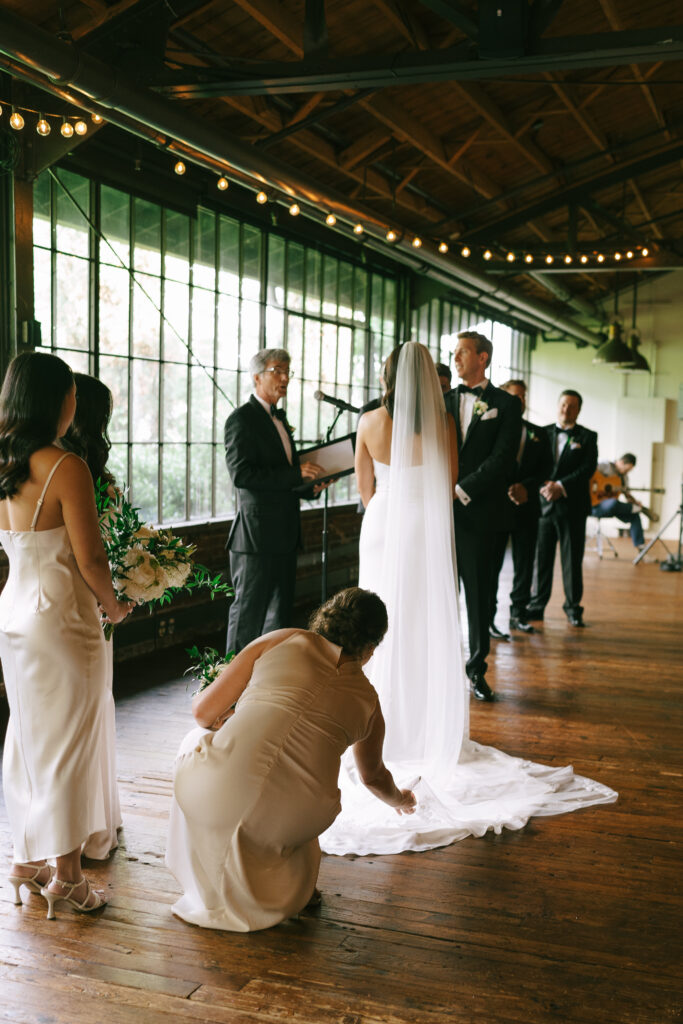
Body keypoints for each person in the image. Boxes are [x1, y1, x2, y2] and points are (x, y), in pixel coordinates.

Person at [320, 342, 616, 858]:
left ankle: (372, 718)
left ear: (386, 378)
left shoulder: (368, 422)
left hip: (384, 524)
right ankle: (418, 721)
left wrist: (388, 509)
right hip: (422, 524)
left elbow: (365, 489)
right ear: (428, 381)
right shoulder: (444, 426)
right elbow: (447, 481)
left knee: (375, 624)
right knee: (421, 620)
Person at [165, 587, 416, 932]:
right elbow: (373, 777)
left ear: (326, 616)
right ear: (371, 647)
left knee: (196, 740)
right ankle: (292, 888)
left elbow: (202, 713)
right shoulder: (369, 703)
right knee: (298, 788)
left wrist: (238, 716)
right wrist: (401, 799)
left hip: (210, 794)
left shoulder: (280, 640)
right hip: (290, 820)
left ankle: (204, 876)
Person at [0, 352, 132, 920]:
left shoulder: (4, 462)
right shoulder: (66, 466)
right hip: (65, 619)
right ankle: (70, 879)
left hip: (15, 616)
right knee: (71, 747)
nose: (76, 403)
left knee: (30, 740)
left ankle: (25, 863)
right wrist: (117, 606)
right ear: (57, 400)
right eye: (73, 394)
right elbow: (93, 557)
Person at [224, 348, 324, 655]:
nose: (284, 378)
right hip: (255, 537)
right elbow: (242, 476)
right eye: (277, 371)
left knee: (279, 619)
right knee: (248, 616)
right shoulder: (242, 419)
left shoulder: (280, 419)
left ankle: (266, 684)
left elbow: (285, 478)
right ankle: (227, 687)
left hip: (286, 533)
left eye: (288, 372)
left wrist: (312, 486)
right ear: (257, 377)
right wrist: (296, 475)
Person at [60, 372, 122, 860]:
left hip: (33, 605)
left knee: (53, 722)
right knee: (89, 710)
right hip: (85, 605)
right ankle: (89, 828)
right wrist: (118, 597)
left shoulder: (24, 467)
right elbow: (99, 556)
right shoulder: (83, 474)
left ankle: (50, 840)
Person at [444, 331, 522, 701]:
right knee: (438, 594)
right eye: (454, 353)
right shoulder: (440, 400)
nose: (455, 358)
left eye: (462, 352)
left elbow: (503, 458)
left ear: (483, 358)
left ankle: (476, 669)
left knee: (478, 596)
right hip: (437, 516)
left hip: (480, 515)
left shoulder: (505, 405)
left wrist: (460, 490)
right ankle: (439, 669)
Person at [527, 390, 598, 628]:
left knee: (571, 560)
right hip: (543, 506)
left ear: (578, 410)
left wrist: (560, 486)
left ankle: (573, 608)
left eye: (572, 406)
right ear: (558, 405)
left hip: (572, 508)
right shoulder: (542, 433)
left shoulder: (588, 437)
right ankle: (537, 606)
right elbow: (532, 466)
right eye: (564, 405)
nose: (567, 410)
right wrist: (544, 487)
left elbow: (587, 469)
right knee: (542, 560)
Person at [489, 380, 553, 637]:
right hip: (497, 506)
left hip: (527, 508)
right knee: (492, 565)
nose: (521, 401)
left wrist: (526, 487)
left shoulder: (539, 433)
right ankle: (489, 618)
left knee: (524, 564)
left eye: (524, 396)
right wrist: (506, 488)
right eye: (515, 396)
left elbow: (547, 468)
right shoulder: (491, 430)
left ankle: (518, 614)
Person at [590, 453, 651, 551]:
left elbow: (627, 495)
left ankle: (641, 548)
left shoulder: (624, 478)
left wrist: (634, 502)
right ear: (621, 462)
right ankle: (637, 509)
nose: (626, 473)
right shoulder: (604, 465)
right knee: (614, 502)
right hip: (595, 505)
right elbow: (588, 474)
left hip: (612, 507)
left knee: (634, 515)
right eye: (626, 470)